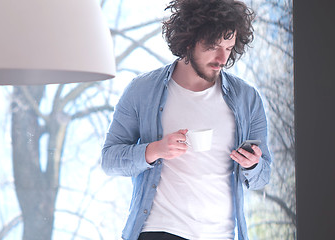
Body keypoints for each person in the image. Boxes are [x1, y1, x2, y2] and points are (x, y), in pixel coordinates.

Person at [101, 0, 272, 239]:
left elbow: (263, 176)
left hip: (221, 235)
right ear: (189, 40)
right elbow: (109, 160)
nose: (222, 58)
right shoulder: (142, 90)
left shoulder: (248, 99)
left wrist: (252, 164)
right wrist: (154, 150)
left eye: (229, 47)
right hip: (160, 231)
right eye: (213, 46)